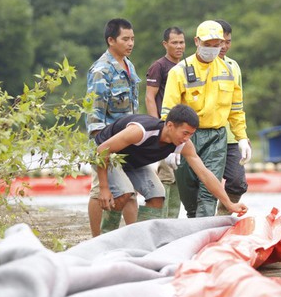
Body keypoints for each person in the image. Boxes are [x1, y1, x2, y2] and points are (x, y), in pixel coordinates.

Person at [95, 104, 249, 234]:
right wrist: (104, 188)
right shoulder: (141, 131)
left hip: (132, 162)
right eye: (185, 133)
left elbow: (204, 174)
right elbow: (102, 150)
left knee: (157, 195)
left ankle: (139, 239)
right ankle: (105, 239)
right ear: (169, 125)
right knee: (123, 193)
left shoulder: (184, 144)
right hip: (109, 157)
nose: (187, 138)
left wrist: (229, 204)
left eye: (191, 134)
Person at [161, 20, 252, 218]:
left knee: (208, 192)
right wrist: (170, 145)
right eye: (207, 45)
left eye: (216, 45)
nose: (212, 49)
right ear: (197, 41)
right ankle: (196, 226)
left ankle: (207, 235)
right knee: (189, 193)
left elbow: (236, 109)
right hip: (186, 137)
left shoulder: (228, 71)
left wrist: (242, 137)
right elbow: (169, 111)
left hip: (216, 137)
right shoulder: (179, 72)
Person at [85, 18, 140, 237]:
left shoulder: (129, 65)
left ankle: (134, 239)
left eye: (132, 38)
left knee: (130, 192)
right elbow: (94, 115)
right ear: (111, 40)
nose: (130, 43)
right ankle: (97, 239)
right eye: (125, 39)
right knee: (101, 191)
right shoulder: (101, 70)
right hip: (106, 142)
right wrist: (102, 153)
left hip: (127, 141)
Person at [145, 27, 186, 218]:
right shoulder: (159, 67)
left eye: (181, 42)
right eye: (174, 42)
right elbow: (149, 97)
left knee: (179, 177)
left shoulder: (187, 65)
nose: (179, 46)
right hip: (166, 129)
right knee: (166, 176)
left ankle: (173, 220)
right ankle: (160, 221)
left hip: (184, 131)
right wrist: (158, 126)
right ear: (165, 44)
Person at [213, 19, 249, 215]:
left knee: (237, 181)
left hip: (231, 135)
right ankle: (202, 223)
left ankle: (223, 216)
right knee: (206, 184)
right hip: (207, 134)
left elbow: (238, 105)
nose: (224, 46)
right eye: (221, 42)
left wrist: (242, 136)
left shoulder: (233, 66)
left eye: (228, 41)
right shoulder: (196, 66)